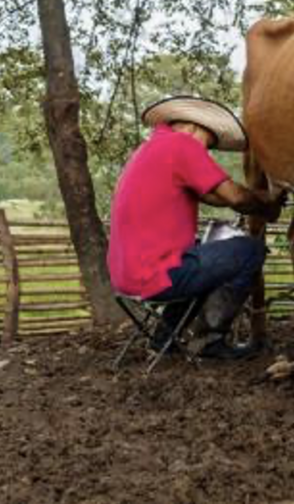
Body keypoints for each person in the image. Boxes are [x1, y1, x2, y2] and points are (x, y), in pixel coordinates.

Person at [107, 95, 281, 360]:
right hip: (156, 277)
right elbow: (234, 197)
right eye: (207, 145)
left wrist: (252, 201)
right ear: (193, 127)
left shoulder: (149, 150)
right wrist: (267, 202)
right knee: (250, 251)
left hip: (126, 277)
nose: (206, 153)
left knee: (201, 256)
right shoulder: (182, 146)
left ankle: (163, 340)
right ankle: (210, 340)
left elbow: (212, 195)